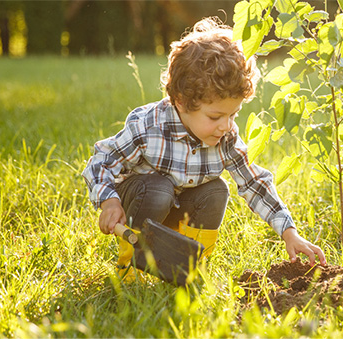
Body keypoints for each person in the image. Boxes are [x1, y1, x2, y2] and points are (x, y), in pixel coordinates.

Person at [82, 17, 328, 282]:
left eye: (233, 115)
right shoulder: (149, 127)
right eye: (215, 117)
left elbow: (255, 182)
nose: (226, 126)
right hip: (144, 203)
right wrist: (109, 201)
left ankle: (186, 268)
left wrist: (289, 232)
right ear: (181, 101)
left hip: (180, 211)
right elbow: (102, 161)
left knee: (216, 190)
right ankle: (130, 270)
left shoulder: (226, 137)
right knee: (158, 190)